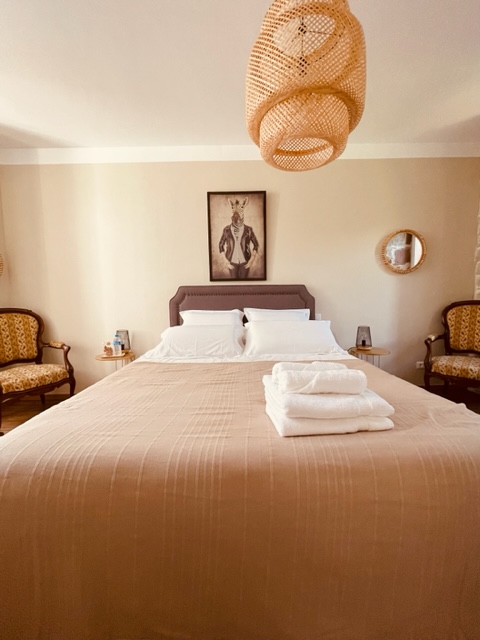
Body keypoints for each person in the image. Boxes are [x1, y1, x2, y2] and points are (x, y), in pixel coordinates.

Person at [218, 196, 259, 279]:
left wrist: (251, 260)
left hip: (245, 262)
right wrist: (226, 261)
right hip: (232, 262)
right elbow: (220, 245)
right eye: (234, 212)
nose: (236, 215)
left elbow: (256, 244)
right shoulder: (226, 230)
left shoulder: (248, 229)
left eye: (239, 211)